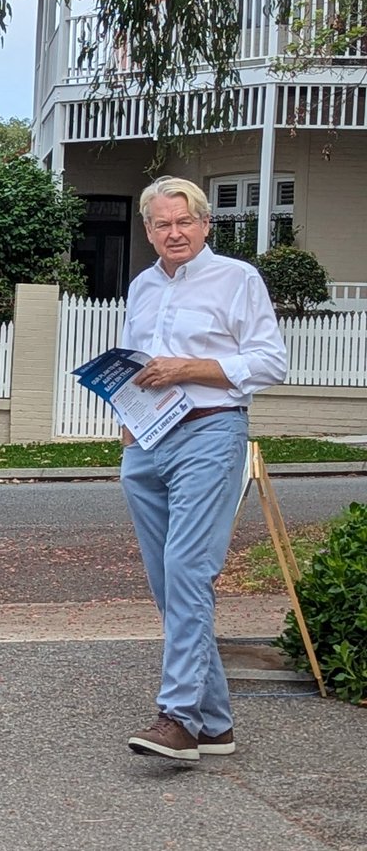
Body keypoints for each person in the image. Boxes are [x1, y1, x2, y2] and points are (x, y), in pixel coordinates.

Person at [121, 176, 287, 762]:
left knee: (189, 570)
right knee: (169, 583)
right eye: (162, 224)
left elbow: (271, 362)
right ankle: (216, 725)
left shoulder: (237, 278)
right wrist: (127, 424)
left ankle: (179, 718)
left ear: (205, 223)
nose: (174, 233)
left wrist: (189, 368)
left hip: (212, 431)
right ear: (148, 230)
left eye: (184, 222)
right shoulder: (141, 287)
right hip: (146, 441)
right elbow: (137, 367)